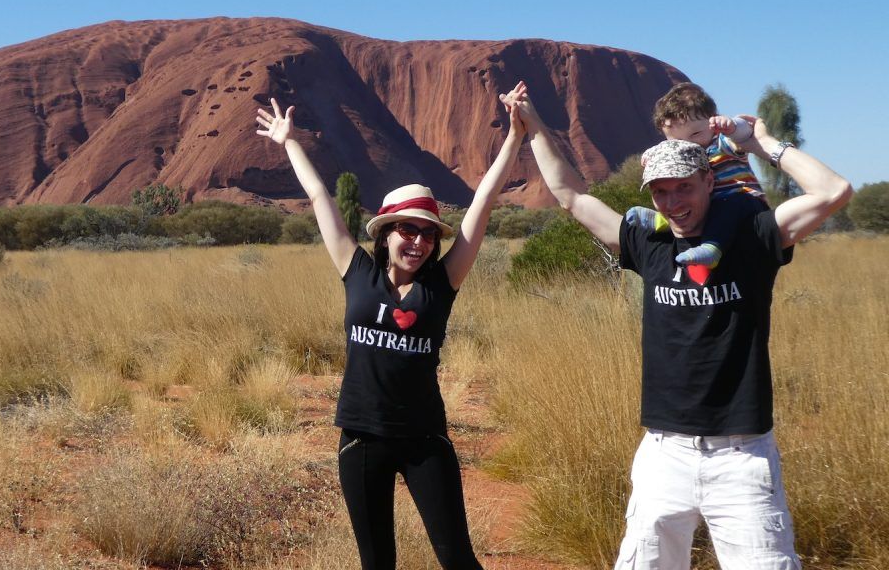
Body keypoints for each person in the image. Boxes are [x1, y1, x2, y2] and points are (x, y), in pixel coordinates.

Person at [504, 85, 851, 569]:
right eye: (661, 191)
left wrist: (758, 142)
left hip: (742, 456)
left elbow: (834, 192)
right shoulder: (649, 241)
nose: (673, 201)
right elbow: (570, 195)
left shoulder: (754, 236)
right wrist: (533, 123)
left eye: (684, 186)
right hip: (664, 453)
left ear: (709, 181)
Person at [254, 85, 527, 570]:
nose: (419, 242)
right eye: (408, 230)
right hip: (362, 439)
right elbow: (320, 198)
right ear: (384, 234)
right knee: (377, 562)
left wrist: (514, 137)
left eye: (427, 233)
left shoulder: (443, 283)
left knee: (459, 559)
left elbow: (483, 203)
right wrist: (290, 141)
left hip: (425, 439)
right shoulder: (356, 270)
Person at [626, 82, 770, 267]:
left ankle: (711, 248)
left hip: (746, 201)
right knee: (695, 206)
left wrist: (733, 126)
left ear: (713, 122)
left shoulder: (721, 142)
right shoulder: (684, 154)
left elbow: (747, 133)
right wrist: (652, 153)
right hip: (713, 205)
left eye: (695, 133)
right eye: (678, 140)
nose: (689, 143)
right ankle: (661, 220)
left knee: (728, 206)